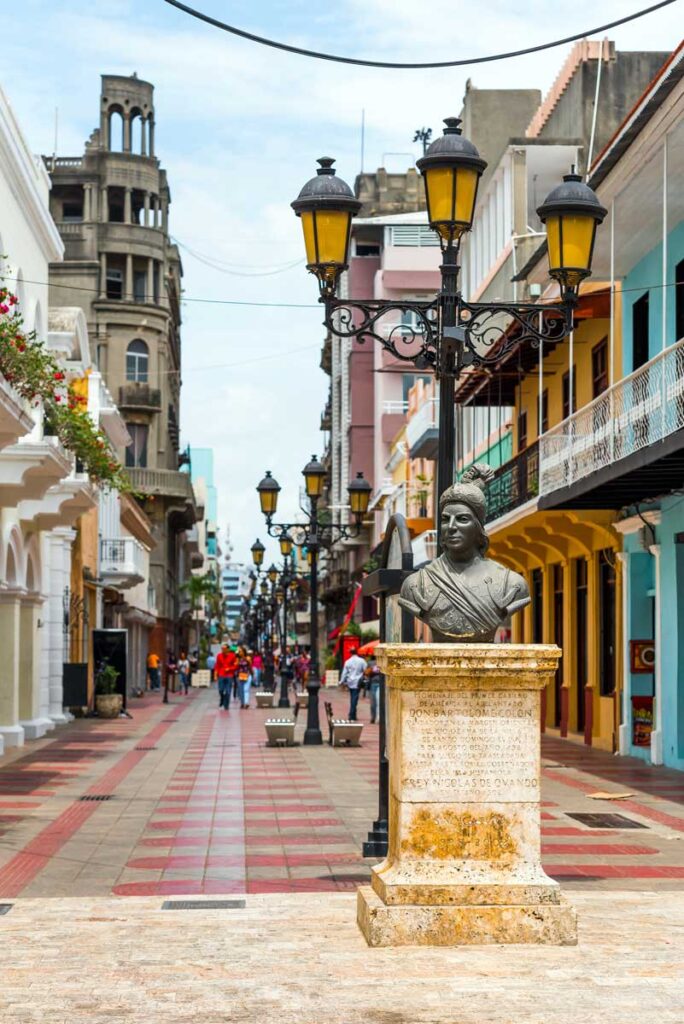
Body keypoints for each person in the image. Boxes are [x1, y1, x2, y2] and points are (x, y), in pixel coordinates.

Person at [340, 647, 366, 721]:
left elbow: (344, 673)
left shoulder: (348, 661)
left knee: (353, 697)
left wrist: (341, 681)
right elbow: (366, 669)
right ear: (356, 652)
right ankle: (352, 714)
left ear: (350, 653)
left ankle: (353, 714)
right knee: (354, 698)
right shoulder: (362, 661)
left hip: (350, 682)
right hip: (358, 682)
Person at [215, 643, 238, 710]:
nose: (223, 650)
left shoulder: (233, 656)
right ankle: (222, 699)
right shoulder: (219, 656)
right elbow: (217, 666)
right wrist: (216, 675)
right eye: (222, 649)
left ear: (228, 649)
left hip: (229, 675)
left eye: (224, 649)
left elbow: (235, 666)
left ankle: (226, 704)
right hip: (221, 675)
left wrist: (230, 669)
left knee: (228, 691)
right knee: (221, 690)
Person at [365, 655, 382, 724]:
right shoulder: (370, 663)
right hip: (373, 684)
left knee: (380, 702)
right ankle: (373, 717)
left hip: (382, 684)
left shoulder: (383, 662)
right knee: (373, 703)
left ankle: (380, 717)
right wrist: (371, 670)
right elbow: (366, 673)